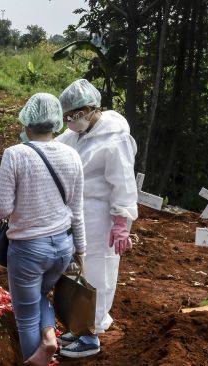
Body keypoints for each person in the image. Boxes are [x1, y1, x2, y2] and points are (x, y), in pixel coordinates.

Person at [0, 93, 86, 366]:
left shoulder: (15, 154)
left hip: (28, 248)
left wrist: (0, 195)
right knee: (42, 295)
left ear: (27, 121)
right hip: (62, 247)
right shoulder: (72, 155)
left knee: (25, 318)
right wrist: (80, 250)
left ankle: (40, 355)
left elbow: (3, 209)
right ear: (56, 122)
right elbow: (76, 210)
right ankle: (48, 338)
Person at [55, 79, 138, 358]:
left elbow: (123, 183)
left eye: (73, 116)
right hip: (75, 215)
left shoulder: (115, 137)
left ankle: (92, 334)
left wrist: (121, 221)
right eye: (66, 117)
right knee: (75, 271)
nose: (69, 122)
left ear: (90, 109)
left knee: (97, 273)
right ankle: (78, 326)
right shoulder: (75, 135)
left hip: (101, 216)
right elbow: (49, 150)